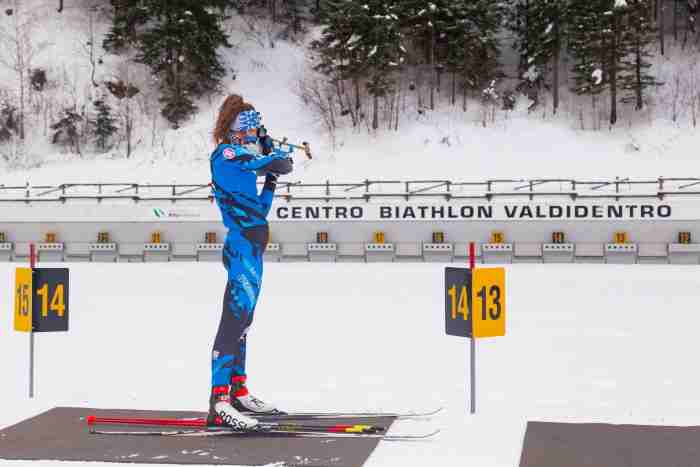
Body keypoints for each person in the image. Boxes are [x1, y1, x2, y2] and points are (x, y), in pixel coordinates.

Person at [207, 94, 292, 430]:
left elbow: (258, 208)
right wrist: (272, 158)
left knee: (245, 321)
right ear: (237, 129)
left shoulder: (244, 158)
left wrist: (272, 179)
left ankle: (239, 391)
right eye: (252, 129)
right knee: (233, 320)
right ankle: (219, 400)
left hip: (254, 246)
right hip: (241, 247)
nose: (256, 134)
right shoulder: (227, 154)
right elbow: (259, 160)